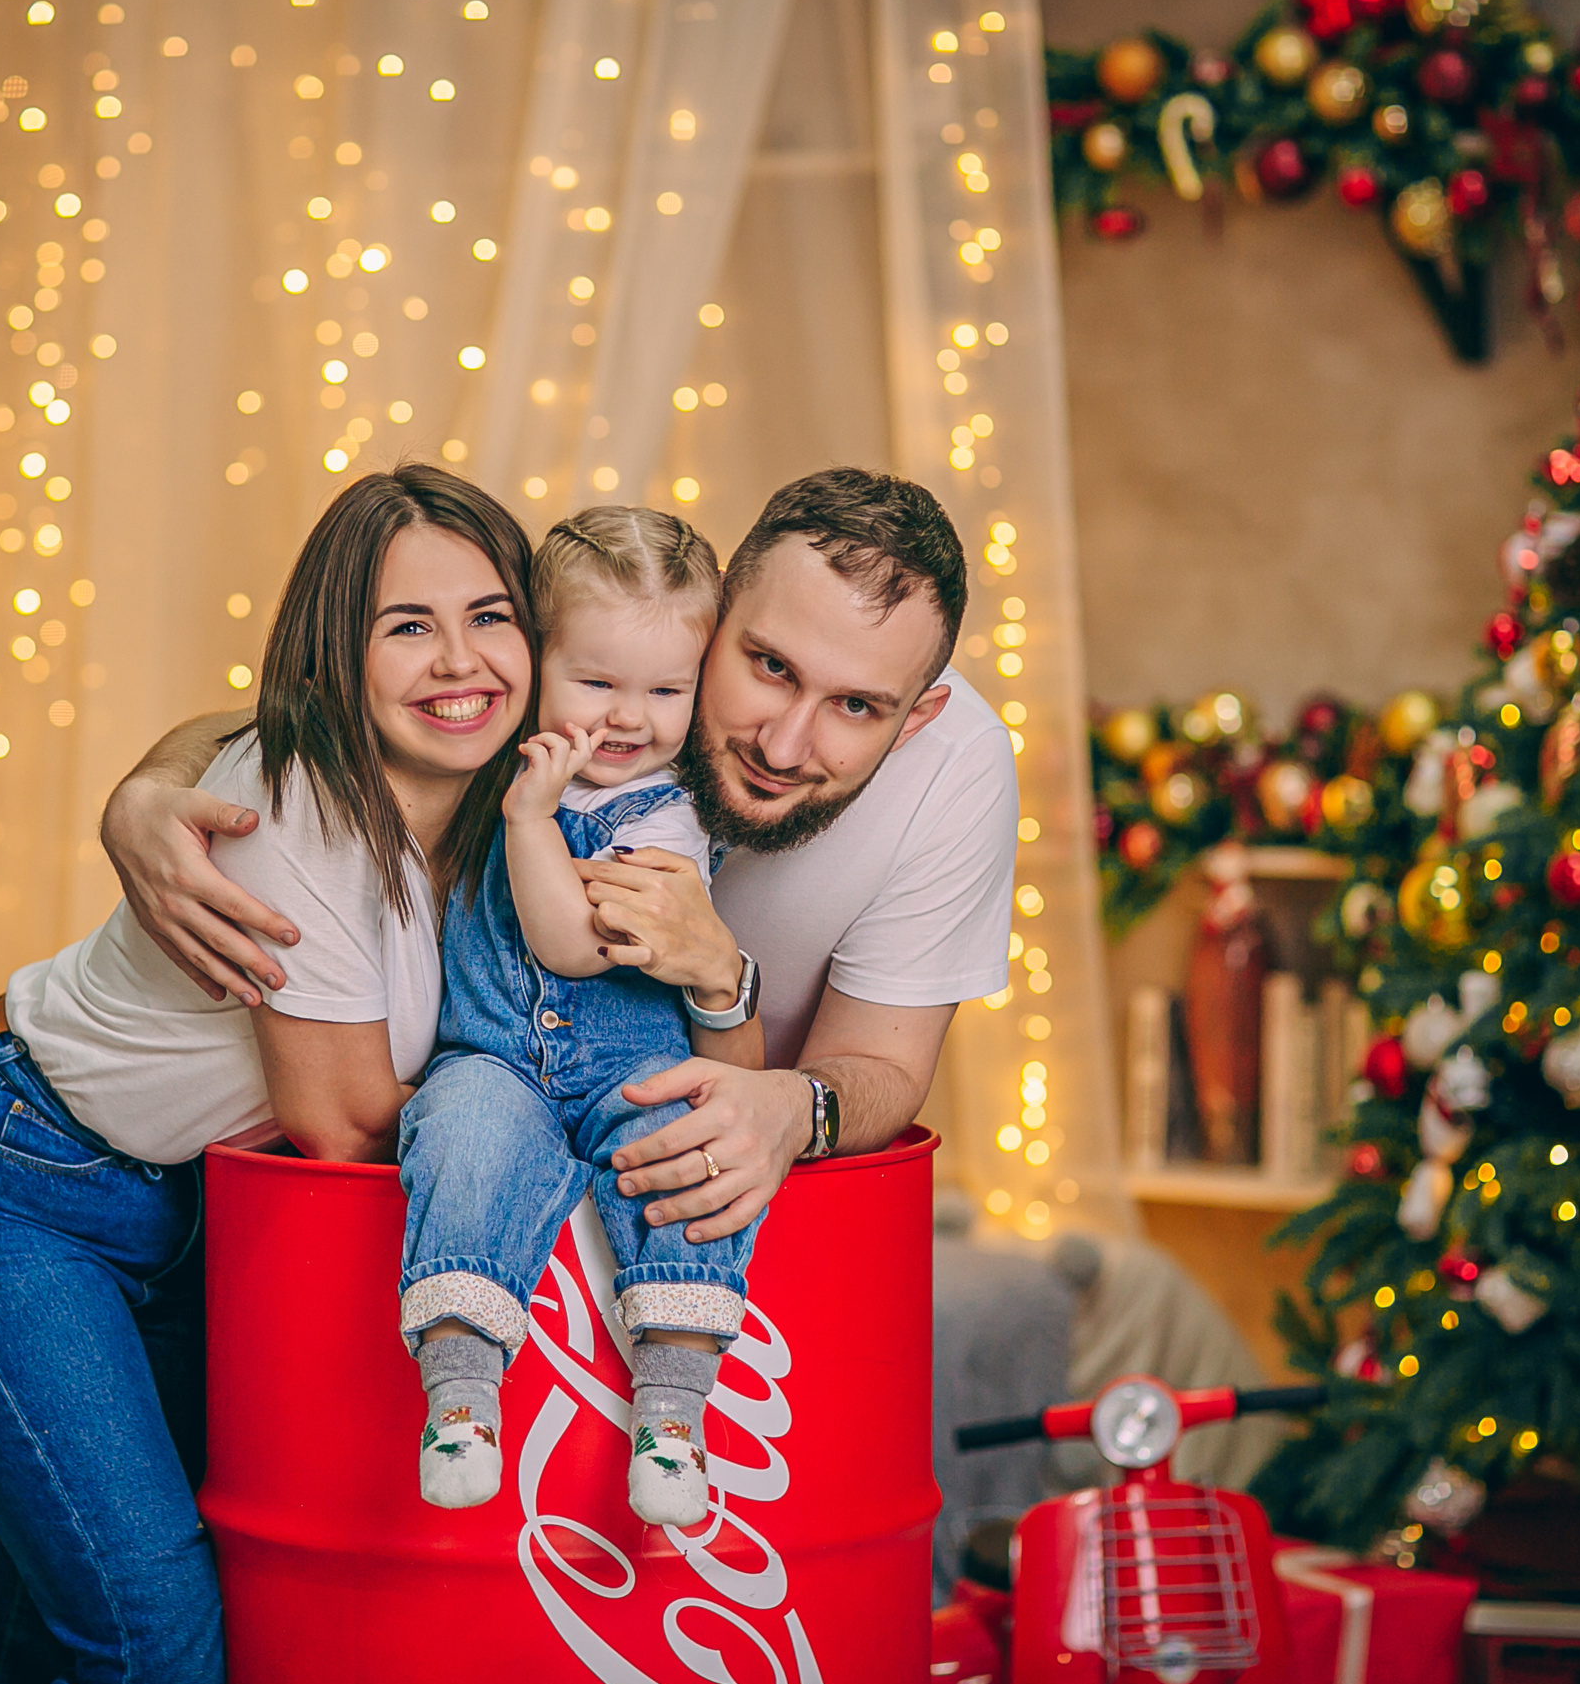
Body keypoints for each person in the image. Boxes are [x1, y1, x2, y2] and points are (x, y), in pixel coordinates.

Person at [0, 465, 536, 1684]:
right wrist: (549, 1131)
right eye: (407, 626)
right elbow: (344, 1123)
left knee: (56, 1623)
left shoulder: (510, 804)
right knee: (152, 1636)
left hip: (199, 1213)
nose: (461, 661)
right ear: (336, 657)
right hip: (19, 1186)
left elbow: (220, 725)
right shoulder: (299, 806)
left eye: (489, 615)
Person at [103, 466, 1017, 1251]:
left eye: (856, 706)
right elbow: (316, 715)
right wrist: (143, 792)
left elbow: (881, 1065)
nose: (782, 745)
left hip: (666, 1169)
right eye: (769, 666)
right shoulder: (580, 694)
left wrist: (792, 1104)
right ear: (714, 617)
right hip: (305, 1162)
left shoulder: (957, 768)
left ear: (916, 717)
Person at [400, 506, 762, 1530]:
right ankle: (460, 1400)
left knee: (684, 1161)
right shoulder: (493, 756)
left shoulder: (667, 815)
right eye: (596, 682)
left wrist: (528, 818)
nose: (629, 718)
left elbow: (572, 944)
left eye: (666, 690)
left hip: (627, 1067)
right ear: (536, 663)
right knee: (460, 1133)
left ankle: (672, 1416)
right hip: (494, 1059)